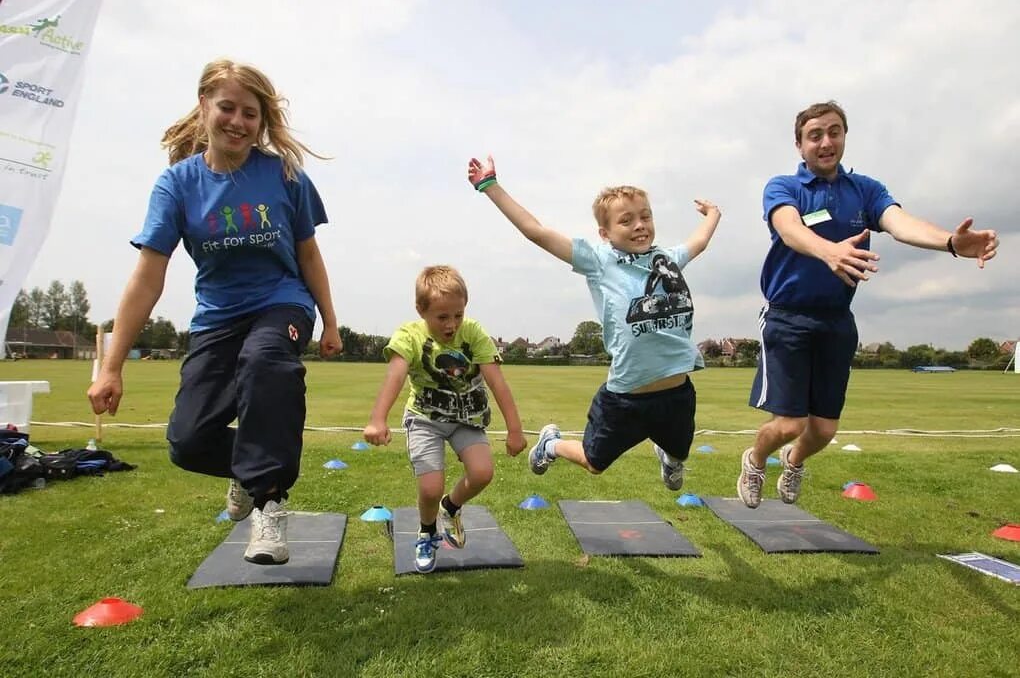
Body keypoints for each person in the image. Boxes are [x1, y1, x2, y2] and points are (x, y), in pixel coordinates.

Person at [87, 59, 342, 564]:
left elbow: (309, 253)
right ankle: (248, 474)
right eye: (228, 107)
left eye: (251, 113)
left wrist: (330, 320)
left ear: (262, 121)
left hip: (282, 302)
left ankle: (269, 503)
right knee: (188, 441)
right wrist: (112, 366)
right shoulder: (177, 186)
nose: (238, 122)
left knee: (265, 361)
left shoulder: (285, 175)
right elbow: (148, 276)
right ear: (204, 106)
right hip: (218, 318)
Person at [739, 100, 999, 508]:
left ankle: (793, 462)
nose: (826, 142)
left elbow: (900, 222)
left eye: (834, 132)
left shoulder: (865, 190)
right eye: (815, 135)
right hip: (788, 318)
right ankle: (755, 460)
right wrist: (829, 252)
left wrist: (950, 242)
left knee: (822, 431)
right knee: (790, 423)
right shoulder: (782, 187)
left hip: (837, 321)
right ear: (799, 144)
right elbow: (788, 229)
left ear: (844, 136)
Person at [467, 155, 721, 489]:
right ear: (605, 232)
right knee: (594, 462)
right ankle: (551, 444)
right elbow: (537, 232)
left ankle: (668, 454)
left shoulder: (667, 259)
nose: (640, 225)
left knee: (680, 451)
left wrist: (714, 214)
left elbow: (699, 241)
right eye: (627, 220)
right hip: (626, 398)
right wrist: (490, 186)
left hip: (677, 393)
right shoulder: (600, 262)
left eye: (645, 216)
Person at [363, 265, 526, 573]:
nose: (452, 325)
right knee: (429, 488)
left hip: (468, 419)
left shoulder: (474, 333)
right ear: (421, 310)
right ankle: (427, 531)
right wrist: (377, 418)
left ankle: (450, 508)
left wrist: (515, 430)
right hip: (426, 418)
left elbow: (497, 382)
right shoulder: (409, 335)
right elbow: (396, 375)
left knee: (482, 474)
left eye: (458, 315)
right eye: (442, 317)